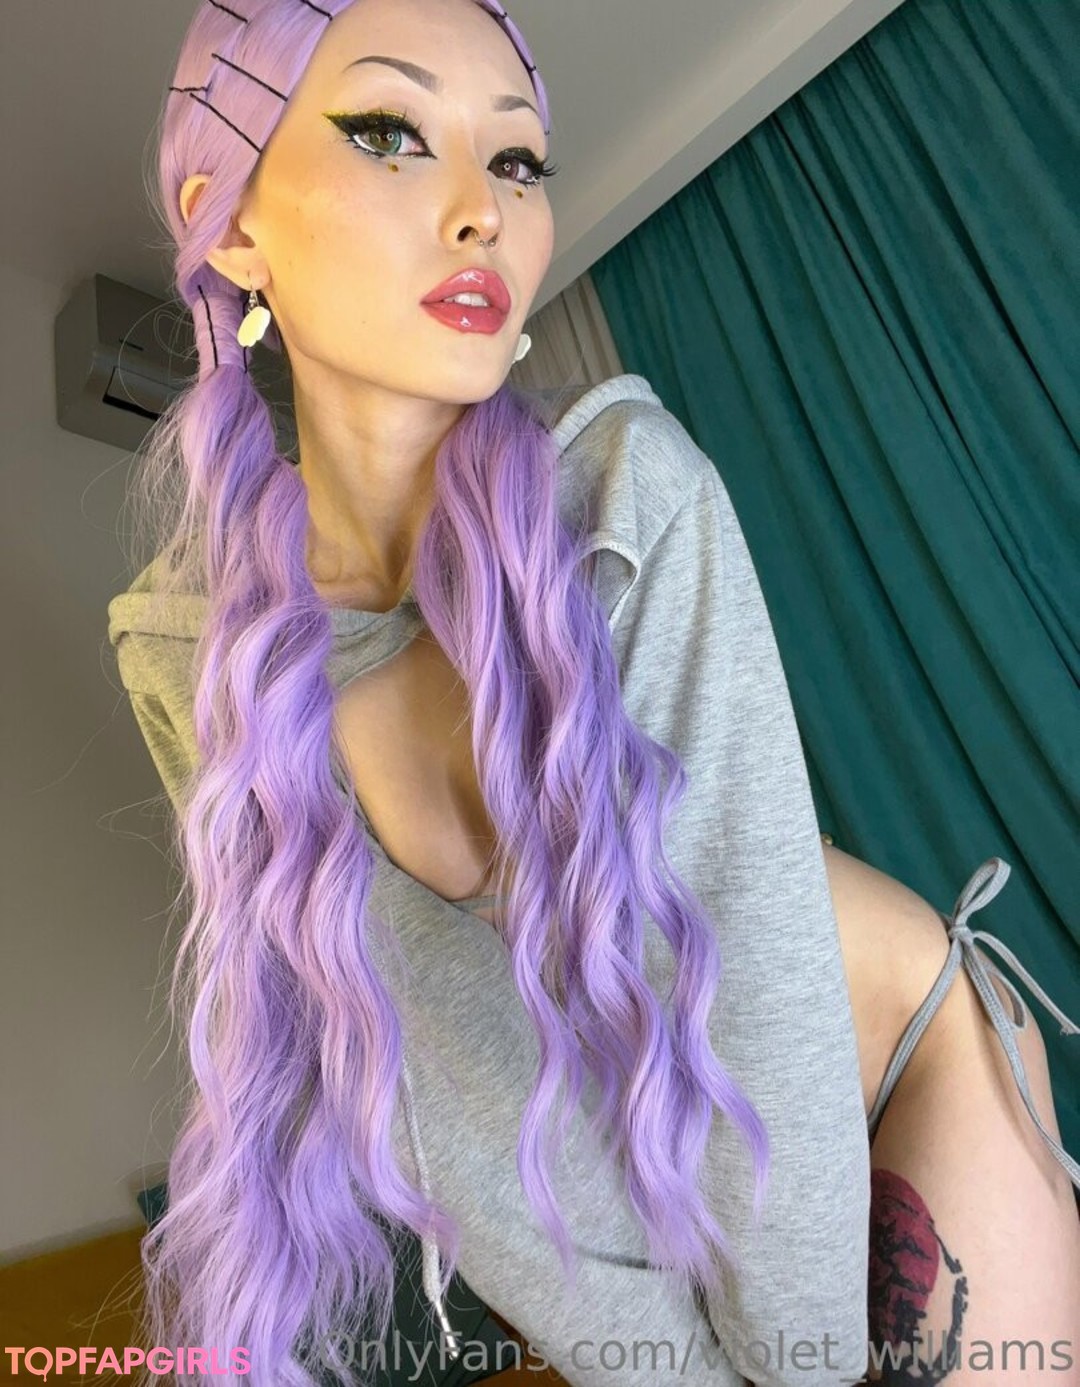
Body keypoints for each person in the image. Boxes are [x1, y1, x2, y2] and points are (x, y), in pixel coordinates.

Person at [106, 0, 1080, 1382]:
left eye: (514, 160)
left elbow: (747, 1006)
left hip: (896, 1063)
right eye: (388, 132)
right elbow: (427, 1089)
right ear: (233, 222)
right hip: (664, 1176)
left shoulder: (623, 494)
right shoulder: (190, 648)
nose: (482, 211)